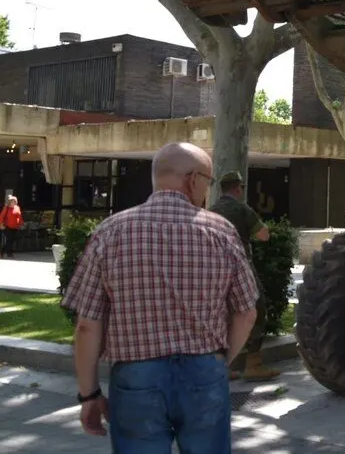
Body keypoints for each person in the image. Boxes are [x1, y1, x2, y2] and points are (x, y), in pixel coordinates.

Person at [61, 142, 259, 453]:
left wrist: (89, 395)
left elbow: (87, 324)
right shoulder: (222, 231)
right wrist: (221, 361)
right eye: (207, 180)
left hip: (136, 376)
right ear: (193, 179)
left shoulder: (110, 231)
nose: (207, 190)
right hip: (204, 371)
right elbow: (247, 312)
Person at [209, 170, 279, 381]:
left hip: (214, 268)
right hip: (240, 266)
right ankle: (253, 364)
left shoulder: (211, 210)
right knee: (257, 307)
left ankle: (223, 365)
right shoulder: (242, 209)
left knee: (221, 314)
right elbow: (263, 235)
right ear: (238, 188)